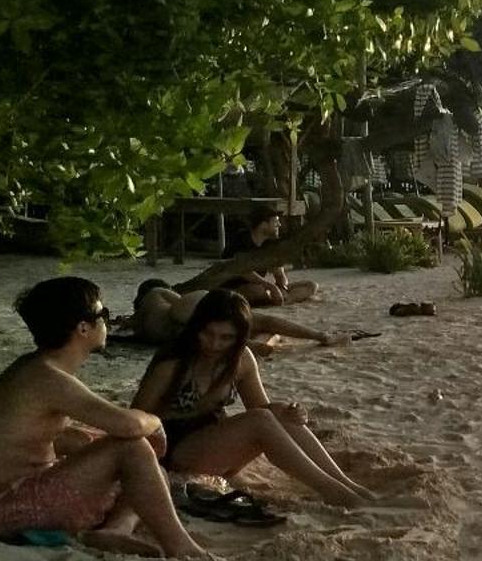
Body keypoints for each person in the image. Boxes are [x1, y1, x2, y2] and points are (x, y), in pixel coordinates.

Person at [0, 277, 218, 561]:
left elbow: (35, 435)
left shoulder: (35, 369)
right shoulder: (48, 377)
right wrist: (154, 420)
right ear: (83, 328)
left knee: (148, 470)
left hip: (4, 498)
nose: (106, 321)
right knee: (132, 448)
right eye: (103, 314)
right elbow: (128, 425)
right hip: (7, 507)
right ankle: (180, 546)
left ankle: (115, 529)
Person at [132, 290, 376, 506]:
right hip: (175, 449)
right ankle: (334, 492)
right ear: (196, 328)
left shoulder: (241, 358)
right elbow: (135, 419)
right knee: (261, 419)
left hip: (217, 443)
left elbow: (262, 407)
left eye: (225, 338)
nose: (214, 344)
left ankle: (346, 484)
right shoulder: (174, 364)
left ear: (239, 337)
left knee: (282, 415)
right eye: (208, 334)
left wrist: (290, 412)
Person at [132, 280, 342, 348]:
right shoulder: (157, 293)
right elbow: (177, 300)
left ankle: (252, 344)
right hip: (187, 309)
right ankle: (321, 336)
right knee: (261, 320)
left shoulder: (149, 308)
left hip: (173, 327)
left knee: (212, 332)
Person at [218, 205, 316, 307]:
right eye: (275, 221)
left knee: (311, 285)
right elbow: (244, 271)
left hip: (262, 287)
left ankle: (285, 300)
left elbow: (279, 273)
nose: (279, 224)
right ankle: (276, 298)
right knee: (257, 290)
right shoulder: (242, 240)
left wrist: (282, 287)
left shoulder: (269, 244)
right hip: (234, 288)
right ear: (264, 225)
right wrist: (271, 287)